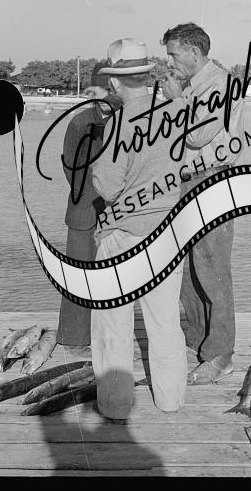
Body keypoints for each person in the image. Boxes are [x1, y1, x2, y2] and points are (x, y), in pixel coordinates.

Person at [91, 37, 187, 421]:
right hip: (168, 232)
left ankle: (115, 406)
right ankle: (170, 400)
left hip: (124, 233)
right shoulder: (176, 112)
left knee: (113, 324)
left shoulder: (119, 123)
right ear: (147, 76)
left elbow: (107, 186)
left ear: (115, 81)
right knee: (165, 323)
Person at [161, 22, 246, 385]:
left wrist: (175, 99)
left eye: (173, 54)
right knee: (187, 270)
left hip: (212, 180)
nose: (169, 62)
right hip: (188, 182)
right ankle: (199, 340)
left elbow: (197, 135)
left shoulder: (222, 85)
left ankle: (221, 355)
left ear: (194, 53)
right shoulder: (193, 86)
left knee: (212, 269)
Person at [56, 63, 122, 356]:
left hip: (118, 211)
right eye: (101, 91)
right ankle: (73, 339)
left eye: (112, 90)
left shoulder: (127, 120)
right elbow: (69, 167)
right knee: (78, 276)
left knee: (113, 277)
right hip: (84, 209)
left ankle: (108, 337)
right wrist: (90, 194)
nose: (106, 97)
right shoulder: (79, 123)